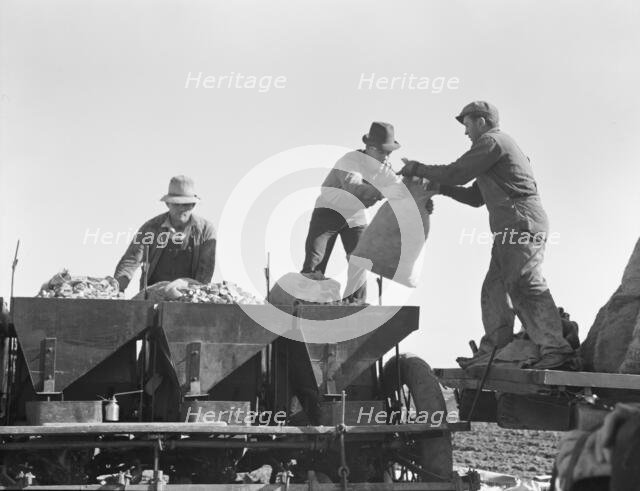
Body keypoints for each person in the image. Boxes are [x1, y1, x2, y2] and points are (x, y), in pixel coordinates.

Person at [398, 101, 575, 369]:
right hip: (509, 228)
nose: (466, 132)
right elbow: (474, 197)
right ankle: (496, 350)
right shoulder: (493, 151)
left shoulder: (492, 142)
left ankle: (555, 349)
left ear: (482, 121)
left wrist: (417, 168)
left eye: (467, 124)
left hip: (520, 224)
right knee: (494, 289)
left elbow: (457, 173)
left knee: (525, 284)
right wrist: (439, 187)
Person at [301, 121, 401, 303]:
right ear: (369, 148)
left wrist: (421, 200)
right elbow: (353, 187)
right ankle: (308, 299)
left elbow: (401, 190)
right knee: (316, 259)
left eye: (389, 153)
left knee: (361, 259)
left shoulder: (385, 170)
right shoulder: (349, 161)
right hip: (328, 211)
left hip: (355, 214)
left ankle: (355, 302)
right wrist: (383, 192)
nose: (386, 157)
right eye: (382, 152)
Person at [114, 175, 216, 292]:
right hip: (152, 297)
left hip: (189, 296)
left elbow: (205, 272)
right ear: (167, 204)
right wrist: (116, 289)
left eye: (186, 204)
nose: (181, 208)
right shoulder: (149, 229)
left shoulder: (206, 231)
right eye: (176, 204)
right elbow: (130, 261)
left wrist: (187, 289)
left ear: (193, 205)